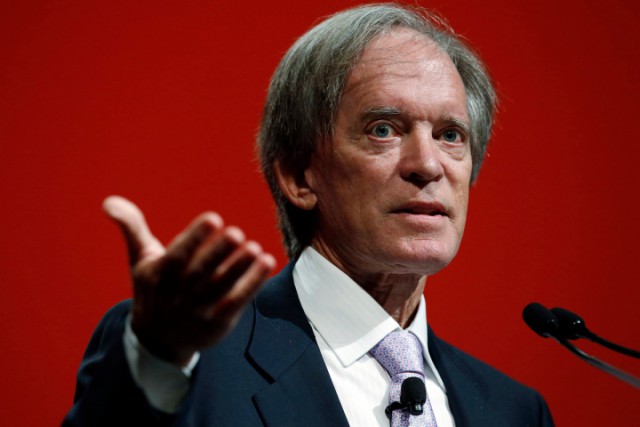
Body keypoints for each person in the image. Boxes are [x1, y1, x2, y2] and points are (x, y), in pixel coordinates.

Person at [63, 3, 554, 426]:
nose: (427, 165)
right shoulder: (187, 358)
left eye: (450, 135)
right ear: (300, 177)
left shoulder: (514, 411)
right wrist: (154, 359)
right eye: (383, 129)